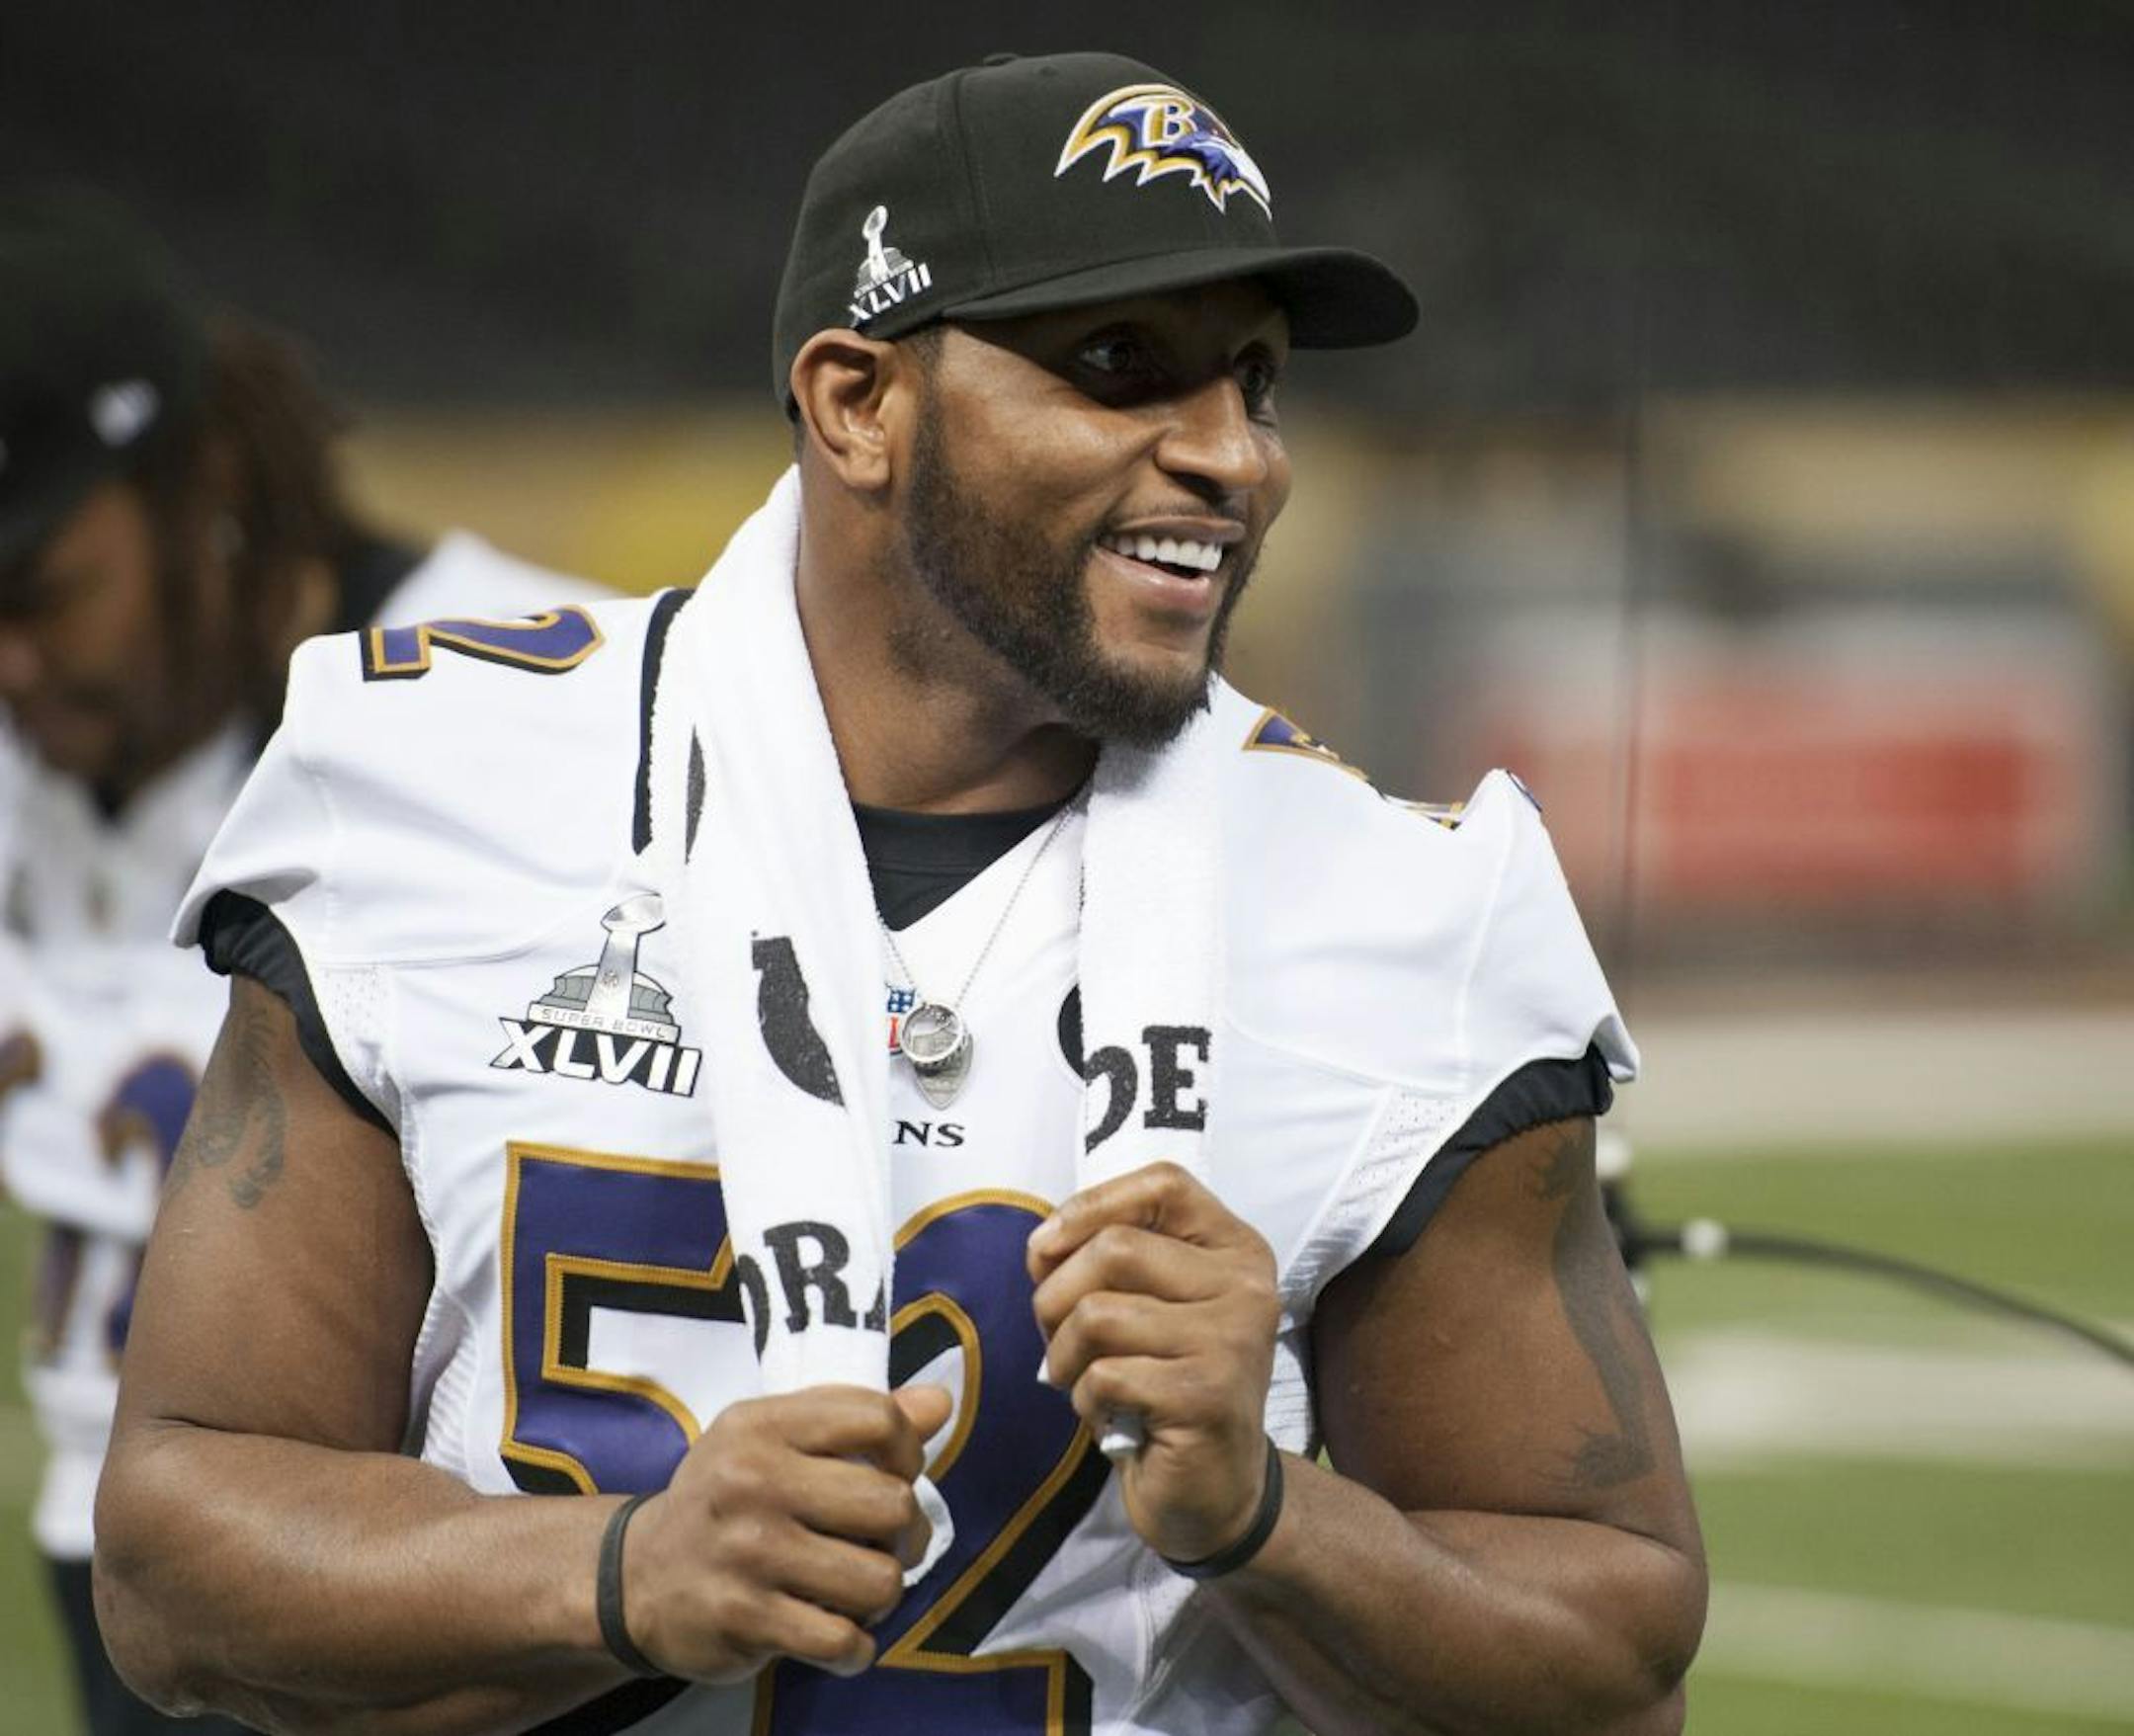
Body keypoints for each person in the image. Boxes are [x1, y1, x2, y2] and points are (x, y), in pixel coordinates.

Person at [93, 51, 1706, 1736]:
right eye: (1121, 365)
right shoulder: (438, 780)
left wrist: (1267, 1516)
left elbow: (1617, 1677)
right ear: (858, 403)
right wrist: (619, 1573)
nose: (1233, 455)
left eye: (1255, 380)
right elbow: (172, 1558)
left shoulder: (1407, 905)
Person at [0, 188, 607, 1735]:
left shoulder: (524, 702)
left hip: (409, 1565)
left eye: (44, 596)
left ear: (201, 490)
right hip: (129, 1552)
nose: (11, 664)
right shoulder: (47, 732)